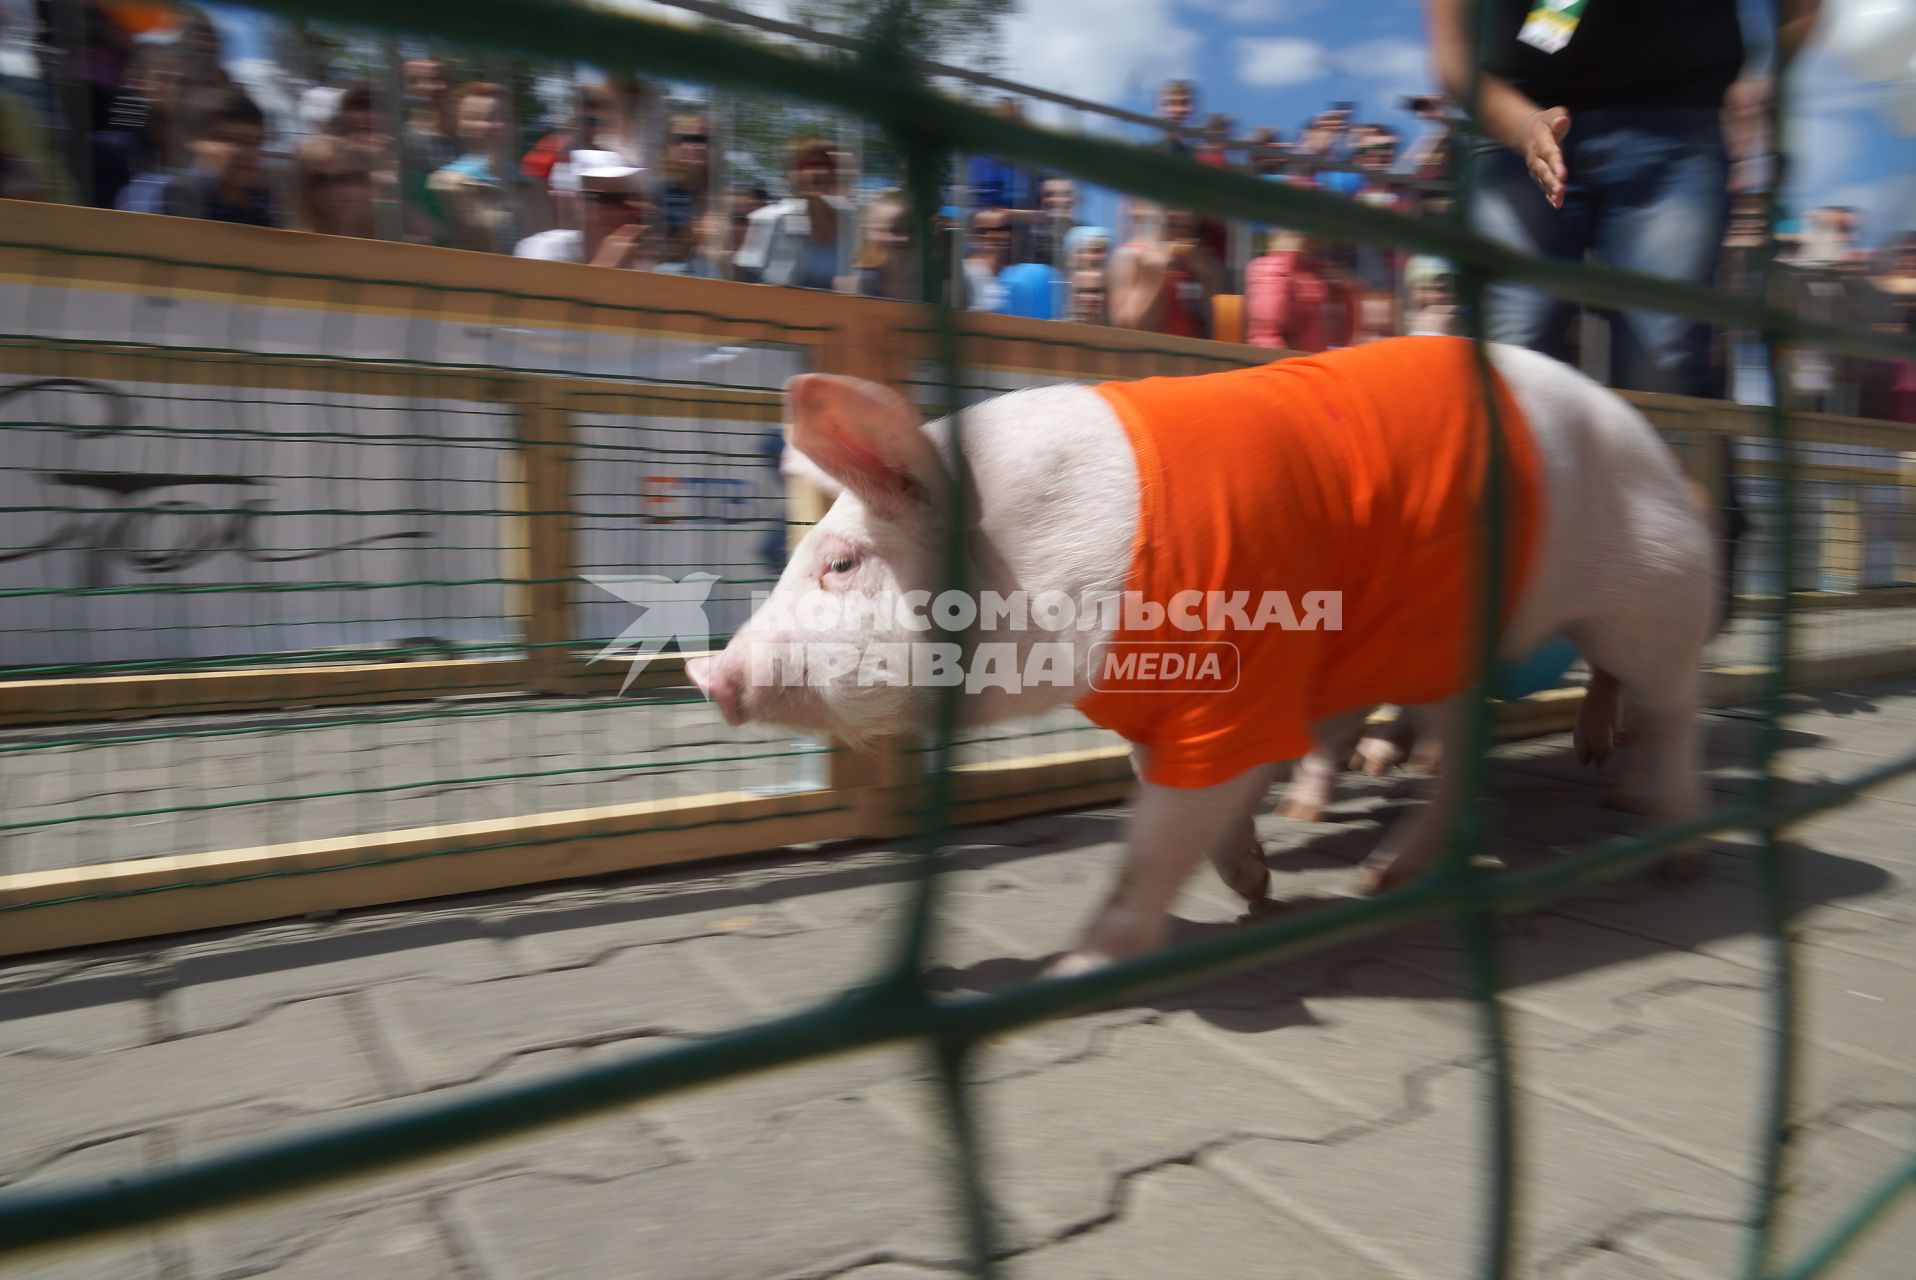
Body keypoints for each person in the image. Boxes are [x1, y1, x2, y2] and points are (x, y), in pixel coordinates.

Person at [116, 85, 277, 226]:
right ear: (194, 142)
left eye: (253, 142)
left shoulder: (265, 206)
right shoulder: (146, 193)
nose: (243, 152)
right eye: (228, 139)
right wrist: (202, 184)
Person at [733, 137, 855, 289]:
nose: (819, 172)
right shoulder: (769, 218)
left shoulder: (851, 221)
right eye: (808, 165)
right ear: (792, 174)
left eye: (827, 165)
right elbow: (746, 279)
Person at [426, 81, 515, 254]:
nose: (492, 125)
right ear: (459, 125)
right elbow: (483, 240)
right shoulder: (447, 181)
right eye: (478, 118)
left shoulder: (528, 181)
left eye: (501, 116)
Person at [513, 160, 651, 268]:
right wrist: (607, 265)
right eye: (609, 199)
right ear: (578, 202)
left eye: (631, 199)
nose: (621, 210)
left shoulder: (637, 259)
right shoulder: (544, 249)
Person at [400, 56, 458, 243]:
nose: (436, 87)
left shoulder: (469, 139)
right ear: (408, 87)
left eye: (441, 79)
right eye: (423, 80)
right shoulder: (401, 140)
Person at [657, 112, 710, 273]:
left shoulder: (720, 193)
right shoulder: (656, 192)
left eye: (701, 140)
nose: (693, 147)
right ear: (668, 146)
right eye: (682, 139)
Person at [293, 135, 375, 238]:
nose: (333, 190)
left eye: (345, 179)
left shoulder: (392, 239)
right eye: (320, 181)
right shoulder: (290, 243)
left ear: (368, 186)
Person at [845, 188, 914, 300]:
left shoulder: (927, 282)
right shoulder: (857, 285)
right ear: (866, 232)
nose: (905, 238)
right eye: (894, 230)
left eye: (912, 230)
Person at [962, 207, 1012, 311]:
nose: (993, 235)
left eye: (1001, 229)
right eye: (983, 230)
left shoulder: (1012, 273)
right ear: (972, 236)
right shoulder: (965, 273)